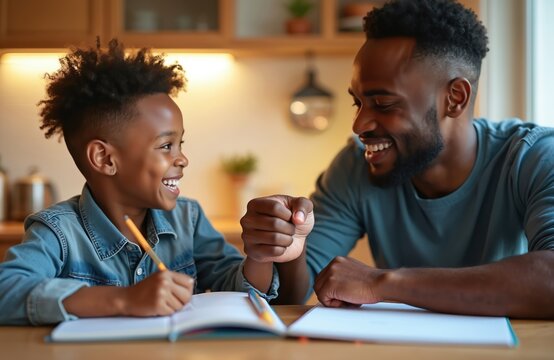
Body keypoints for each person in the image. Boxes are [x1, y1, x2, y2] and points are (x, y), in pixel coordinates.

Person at [240, 0, 554, 319]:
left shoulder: (534, 157)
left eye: (384, 104)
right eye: (358, 103)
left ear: (455, 98)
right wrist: (289, 251)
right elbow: (294, 297)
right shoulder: (354, 167)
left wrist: (385, 283)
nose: (359, 125)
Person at [0, 39, 278, 325]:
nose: (183, 159)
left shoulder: (188, 219)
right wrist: (125, 299)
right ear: (105, 159)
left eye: (180, 144)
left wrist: (258, 257)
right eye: (166, 146)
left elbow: (236, 289)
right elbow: (5, 291)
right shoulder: (58, 232)